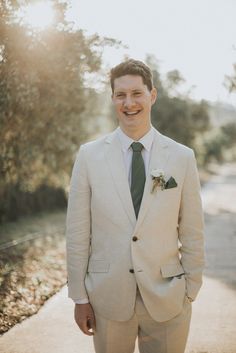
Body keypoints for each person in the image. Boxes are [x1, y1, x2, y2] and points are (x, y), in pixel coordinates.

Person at [66, 59, 205, 353]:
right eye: (121, 95)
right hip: (107, 298)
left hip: (169, 300)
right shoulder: (89, 157)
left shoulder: (182, 157)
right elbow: (77, 231)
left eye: (137, 93)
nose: (129, 103)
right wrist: (79, 296)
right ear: (113, 98)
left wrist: (190, 290)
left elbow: (193, 229)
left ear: (152, 96)